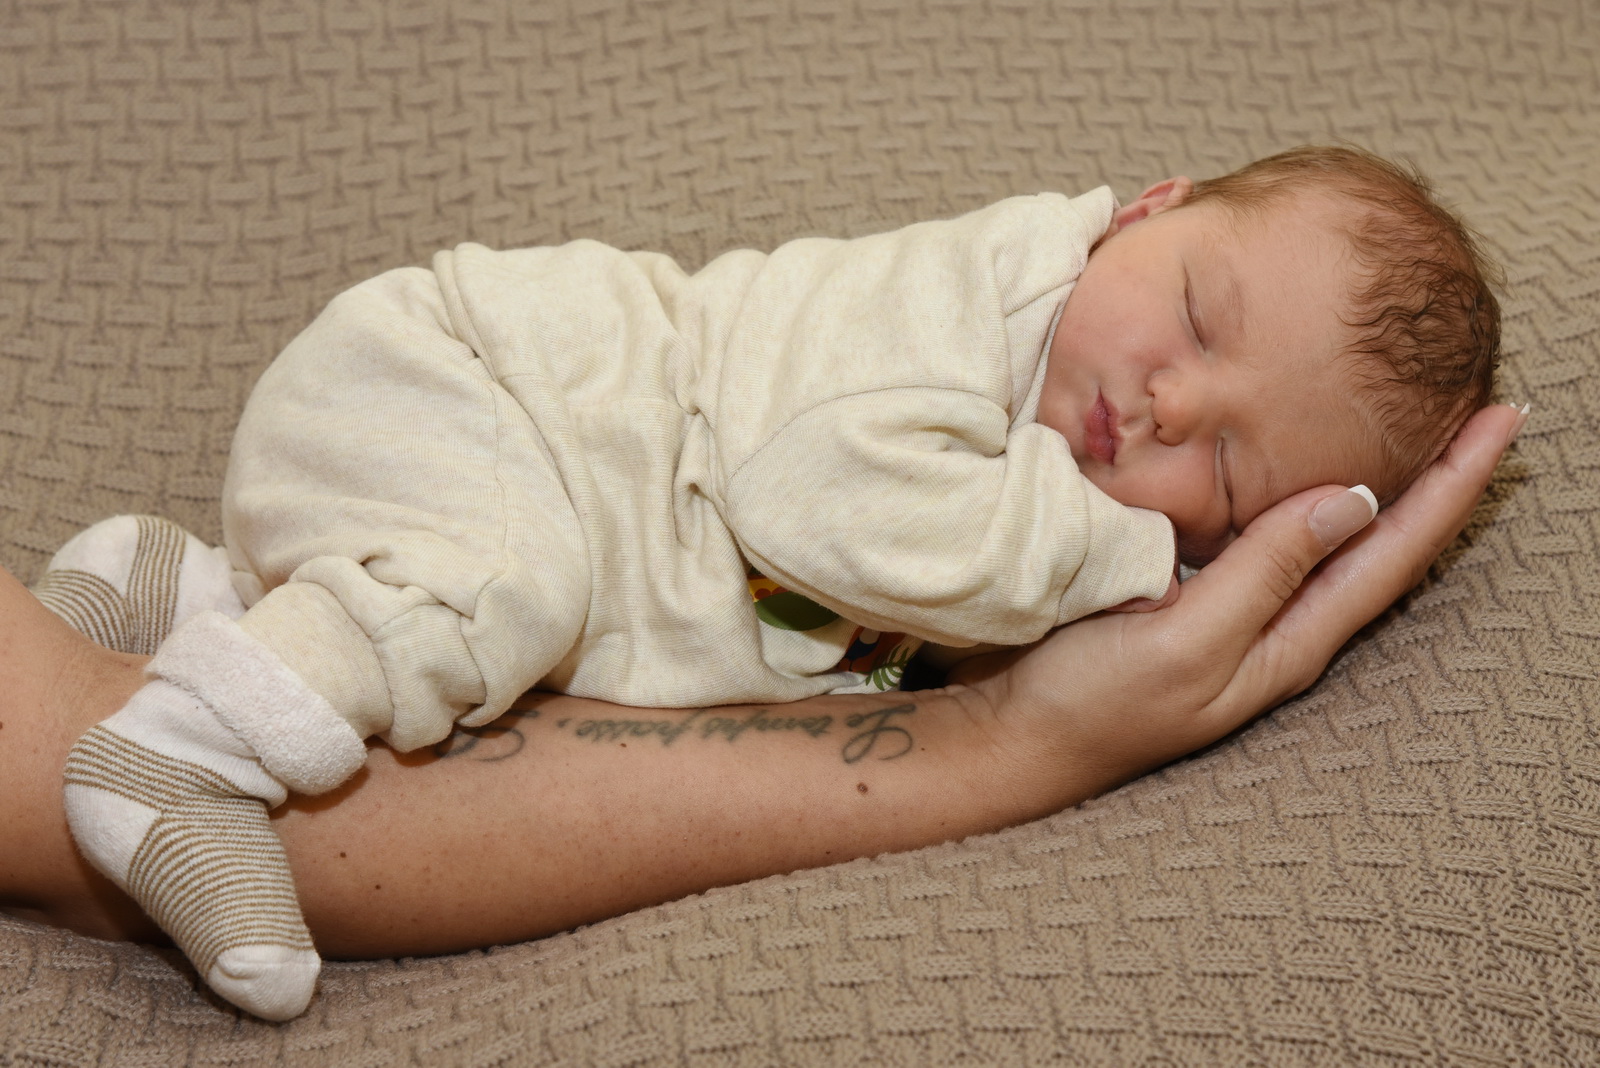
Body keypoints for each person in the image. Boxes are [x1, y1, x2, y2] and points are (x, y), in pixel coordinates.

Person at [39, 146, 1501, 1018]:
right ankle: (179, 757)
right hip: (470, 387)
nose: (1172, 401)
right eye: (1195, 311)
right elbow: (816, 507)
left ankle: (170, 590)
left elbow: (852, 655)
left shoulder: (1035, 451)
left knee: (480, 614)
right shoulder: (959, 306)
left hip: (439, 458)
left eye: (1228, 473)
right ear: (1143, 209)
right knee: (495, 591)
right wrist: (1125, 554)